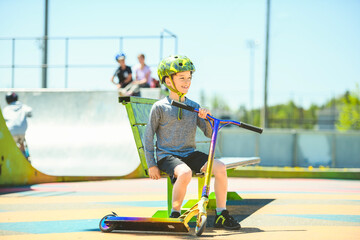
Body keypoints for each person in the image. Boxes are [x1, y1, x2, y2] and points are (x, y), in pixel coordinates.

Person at [144, 55, 240, 230]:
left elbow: (210, 134)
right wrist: (151, 164)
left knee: (220, 167)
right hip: (168, 155)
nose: (187, 82)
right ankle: (175, 215)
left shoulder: (194, 106)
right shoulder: (160, 107)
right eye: (181, 78)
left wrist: (208, 119)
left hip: (189, 153)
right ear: (168, 80)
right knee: (185, 173)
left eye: (189, 78)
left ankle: (221, 214)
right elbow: (148, 136)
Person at [3, 92, 32, 159]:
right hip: (22, 131)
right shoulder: (23, 106)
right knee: (21, 143)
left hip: (10, 131)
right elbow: (30, 112)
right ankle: (25, 158)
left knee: (9, 145)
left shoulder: (6, 109)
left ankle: (9, 158)